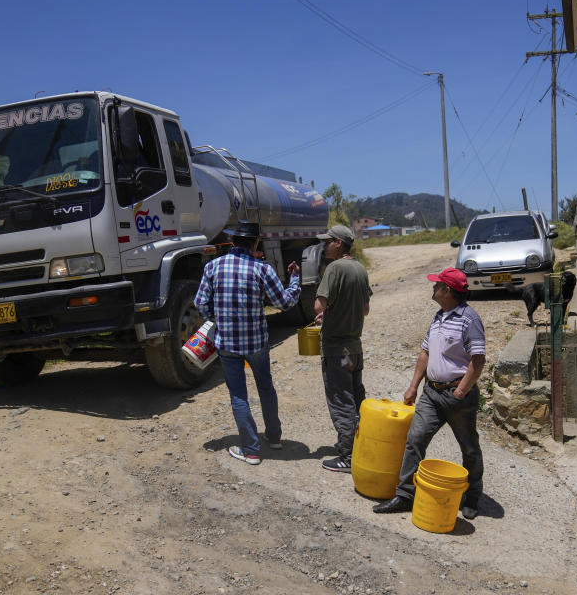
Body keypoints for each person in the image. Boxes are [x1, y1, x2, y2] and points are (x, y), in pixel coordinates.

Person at [373, 267, 486, 520]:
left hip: (457, 397)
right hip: (431, 394)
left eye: (437, 285)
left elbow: (478, 360)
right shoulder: (439, 316)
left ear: (447, 290)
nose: (433, 288)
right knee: (415, 440)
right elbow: (425, 353)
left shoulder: (470, 319)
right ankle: (405, 495)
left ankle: (472, 496)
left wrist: (460, 391)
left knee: (468, 447)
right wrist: (413, 385)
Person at [194, 220, 301, 466]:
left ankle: (251, 450)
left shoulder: (213, 267)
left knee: (238, 396)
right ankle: (274, 438)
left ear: (232, 242)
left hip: (227, 344)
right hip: (257, 343)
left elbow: (200, 304)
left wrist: (216, 317)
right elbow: (283, 303)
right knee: (266, 388)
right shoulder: (262, 269)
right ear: (255, 243)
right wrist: (294, 280)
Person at [314, 224, 372, 473]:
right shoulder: (360, 268)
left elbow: (319, 305)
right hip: (355, 348)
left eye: (328, 241)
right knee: (357, 399)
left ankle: (348, 457)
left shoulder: (334, 268)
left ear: (339, 243)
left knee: (341, 402)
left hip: (336, 349)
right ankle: (366, 446)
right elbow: (366, 309)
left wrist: (323, 314)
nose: (324, 245)